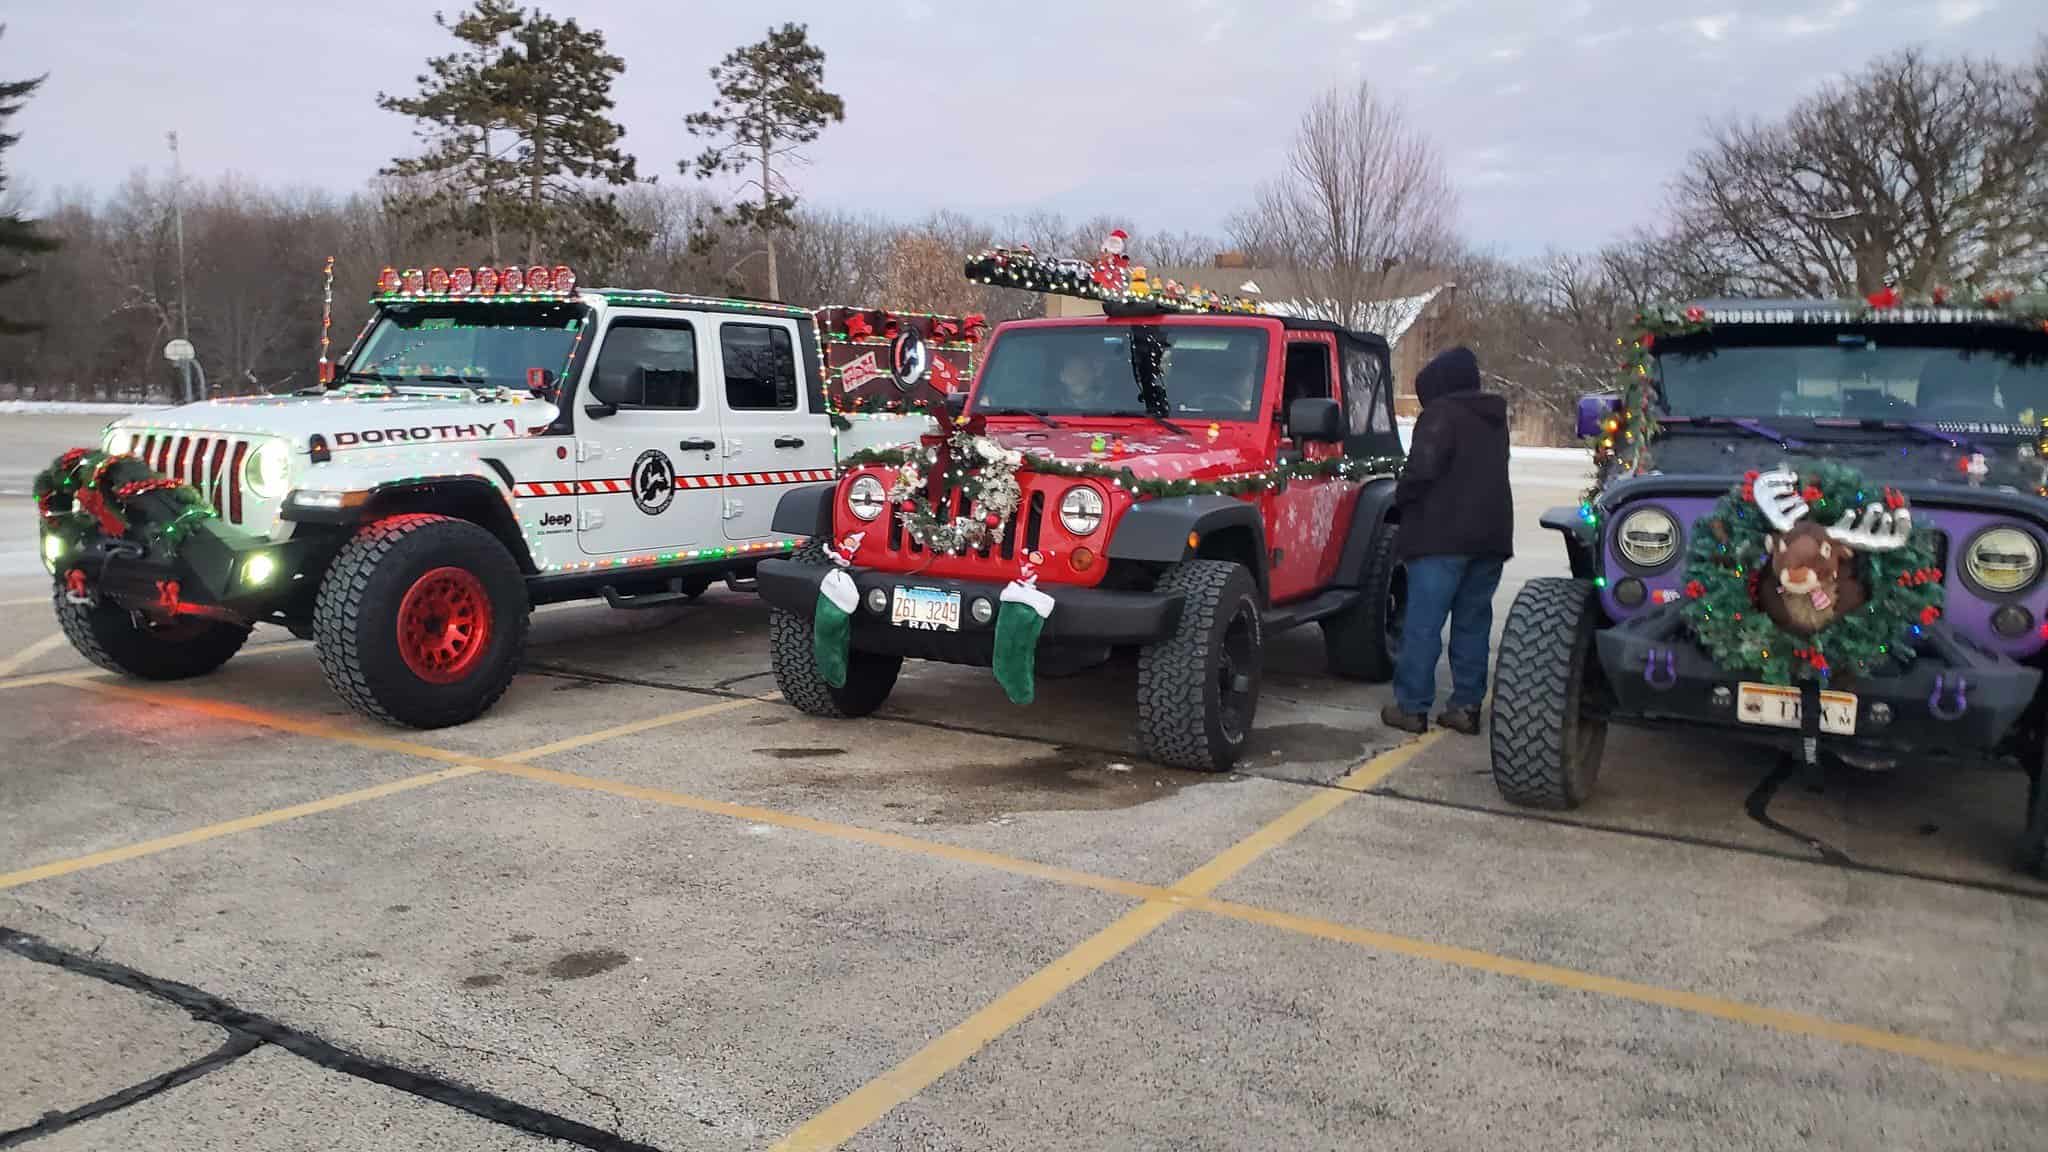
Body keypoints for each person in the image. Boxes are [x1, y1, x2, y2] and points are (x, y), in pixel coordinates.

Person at [1382, 346, 1513, 735]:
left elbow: (1421, 470)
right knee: (1473, 623)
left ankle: (1412, 707)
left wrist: (1401, 495)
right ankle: (1466, 706)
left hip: (1441, 537)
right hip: (1489, 537)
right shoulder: (1494, 419)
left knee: (1423, 624)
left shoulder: (1441, 415)